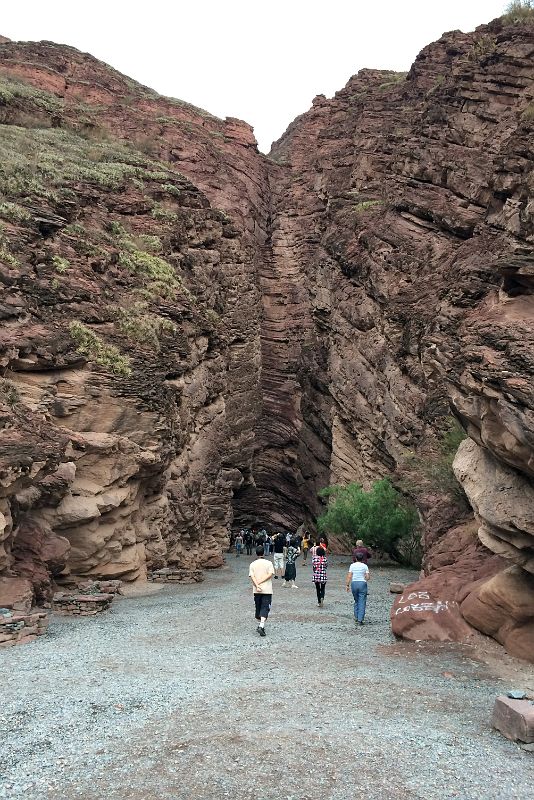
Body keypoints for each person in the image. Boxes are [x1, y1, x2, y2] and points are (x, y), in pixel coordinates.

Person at [249, 544, 274, 637]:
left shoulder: (252, 564)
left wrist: (257, 584)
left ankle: (261, 624)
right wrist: (261, 582)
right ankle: (261, 625)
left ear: (256, 553)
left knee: (258, 607)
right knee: (265, 607)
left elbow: (252, 576)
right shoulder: (269, 563)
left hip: (256, 590)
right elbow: (270, 574)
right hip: (267, 589)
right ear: (264, 552)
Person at [346, 553, 370, 626]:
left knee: (356, 600)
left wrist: (347, 585)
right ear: (362, 559)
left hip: (354, 584)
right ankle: (360, 619)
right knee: (362, 601)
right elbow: (368, 577)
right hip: (362, 584)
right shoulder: (365, 566)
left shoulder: (352, 565)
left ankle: (356, 616)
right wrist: (365, 578)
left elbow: (349, 576)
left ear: (356, 558)